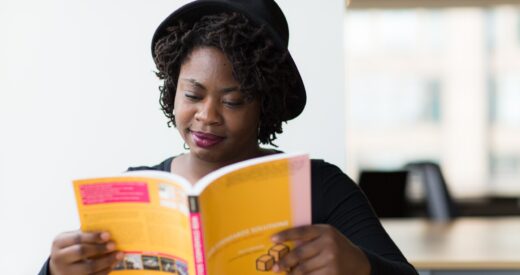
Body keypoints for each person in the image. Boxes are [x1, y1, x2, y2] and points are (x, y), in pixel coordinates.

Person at [39, 0, 418, 274]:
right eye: (192, 94)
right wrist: (56, 271)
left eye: (233, 101)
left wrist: (360, 265)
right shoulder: (135, 190)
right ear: (172, 91)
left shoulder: (320, 187)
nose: (207, 115)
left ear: (262, 107)